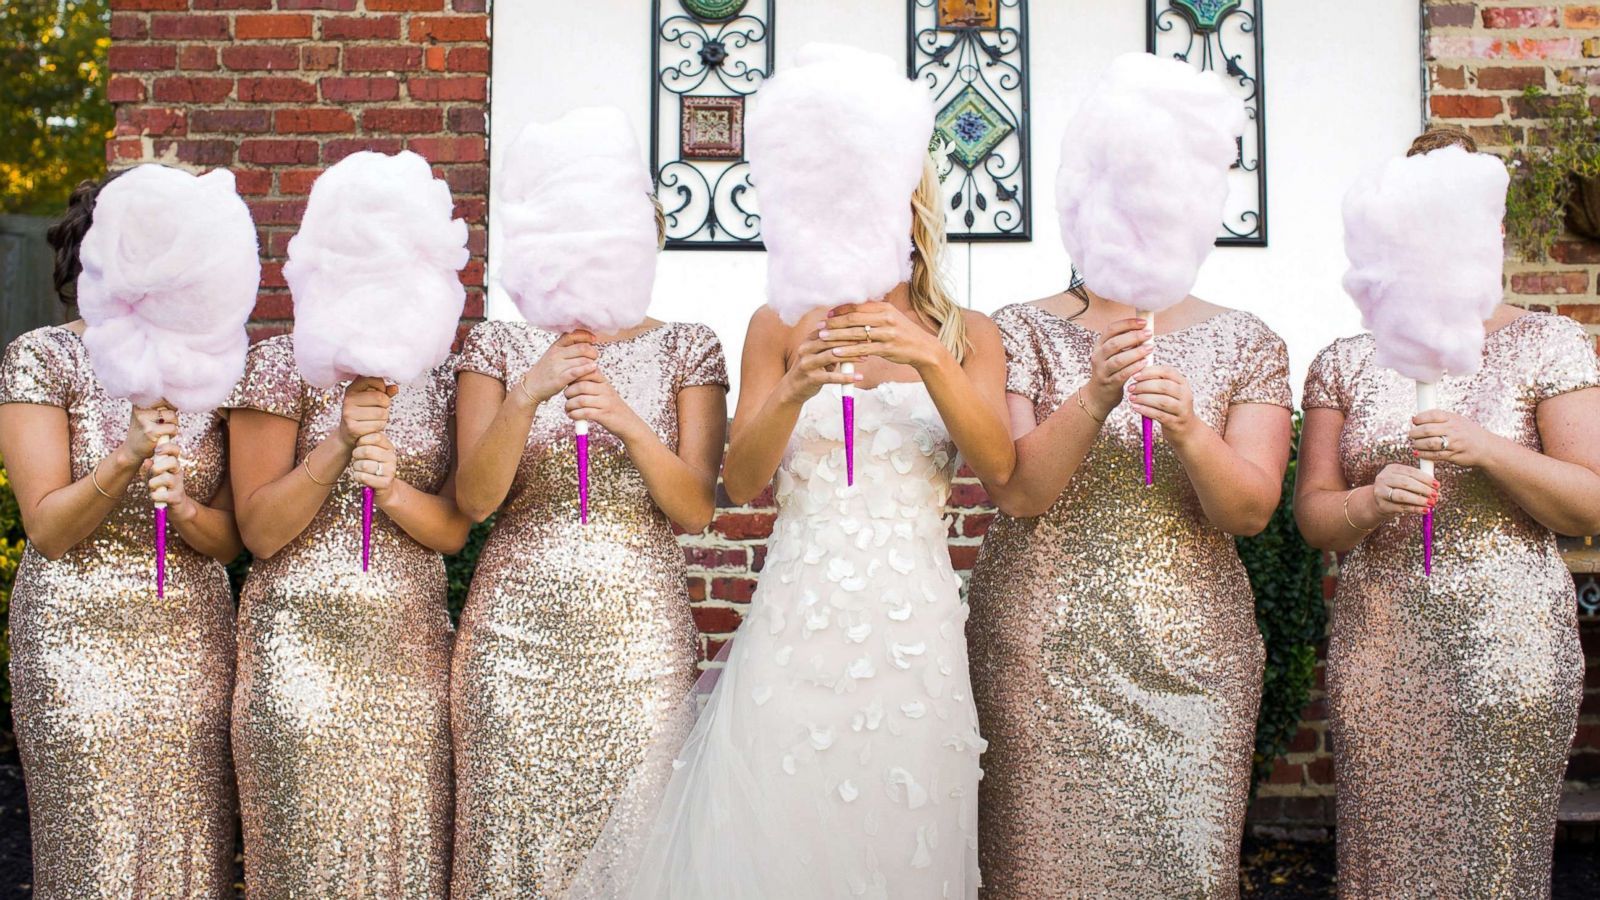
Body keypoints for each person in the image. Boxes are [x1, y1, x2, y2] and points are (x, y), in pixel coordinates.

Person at [573, 158, 1016, 899]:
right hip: (797, 618)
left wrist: (930, 359)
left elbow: (1000, 469)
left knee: (900, 824)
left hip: (916, 627)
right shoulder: (777, 324)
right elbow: (741, 481)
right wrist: (795, 385)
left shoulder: (968, 334)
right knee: (781, 821)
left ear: (914, 213)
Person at [1293, 127, 1600, 900]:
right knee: (1386, 858)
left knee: (1495, 859)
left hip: (1510, 642)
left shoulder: (1547, 342)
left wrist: (1488, 450)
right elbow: (1314, 520)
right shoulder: (1348, 360)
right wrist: (1369, 500)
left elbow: (1591, 500)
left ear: (1490, 227)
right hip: (1383, 642)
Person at [967, 273, 1293, 898]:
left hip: (1193, 656)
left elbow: (1248, 513)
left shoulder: (1247, 340)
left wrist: (1190, 429)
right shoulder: (1017, 330)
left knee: (1184, 872)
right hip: (1042, 654)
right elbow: (1021, 493)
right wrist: (1095, 394)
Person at [448, 201, 728, 897]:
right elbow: (475, 500)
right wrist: (529, 393)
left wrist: (624, 420)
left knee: (637, 845)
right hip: (513, 644)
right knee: (512, 851)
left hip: (640, 646)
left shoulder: (689, 346)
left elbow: (693, 508)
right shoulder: (498, 346)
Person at [0, 175, 241, 897]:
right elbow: (45, 528)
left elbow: (231, 542)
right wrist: (126, 457)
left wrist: (189, 511)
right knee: (95, 854)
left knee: (190, 855)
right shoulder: (45, 356)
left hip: (194, 637)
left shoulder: (214, 371)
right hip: (78, 637)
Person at [227, 335, 469, 897]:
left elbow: (454, 531)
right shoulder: (280, 363)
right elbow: (259, 533)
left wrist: (390, 492)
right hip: (298, 662)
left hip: (411, 659)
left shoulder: (439, 374)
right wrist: (339, 441)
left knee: (406, 863)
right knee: (307, 863)